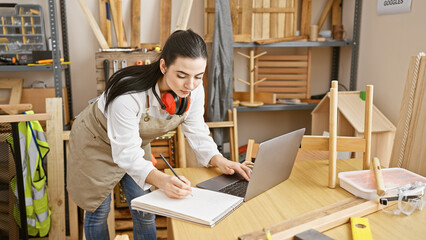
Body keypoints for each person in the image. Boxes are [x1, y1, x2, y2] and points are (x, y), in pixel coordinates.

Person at [67, 29, 252, 240]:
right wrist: (163, 181)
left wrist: (221, 160)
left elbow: (197, 130)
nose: (190, 85)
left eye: (198, 77)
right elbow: (125, 154)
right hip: (96, 142)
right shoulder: (128, 96)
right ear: (163, 66)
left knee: (145, 211)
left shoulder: (193, 91)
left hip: (133, 143)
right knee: (98, 211)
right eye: (181, 76)